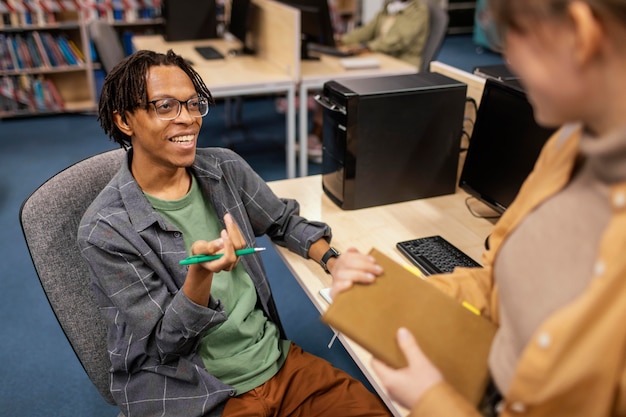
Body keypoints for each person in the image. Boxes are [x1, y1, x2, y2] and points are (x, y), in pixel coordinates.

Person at [330, 0, 626, 416]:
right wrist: (386, 292)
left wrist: (434, 403)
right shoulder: (569, 145)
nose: (506, 58)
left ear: (581, 32)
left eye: (511, 36)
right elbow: (495, 282)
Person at [77, 49, 391, 417]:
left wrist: (331, 260)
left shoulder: (224, 168)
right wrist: (201, 275)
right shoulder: (107, 230)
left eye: (193, 104)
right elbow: (165, 343)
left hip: (276, 362)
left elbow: (283, 221)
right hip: (195, 389)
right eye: (166, 106)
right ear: (124, 120)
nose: (189, 119)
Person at [306, 0, 429, 162]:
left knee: (343, 84)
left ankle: (328, 138)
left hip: (401, 66)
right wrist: (343, 39)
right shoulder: (390, 6)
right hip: (379, 59)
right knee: (333, 82)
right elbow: (368, 30)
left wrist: (366, 47)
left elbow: (397, 40)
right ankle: (320, 135)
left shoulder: (419, 10)